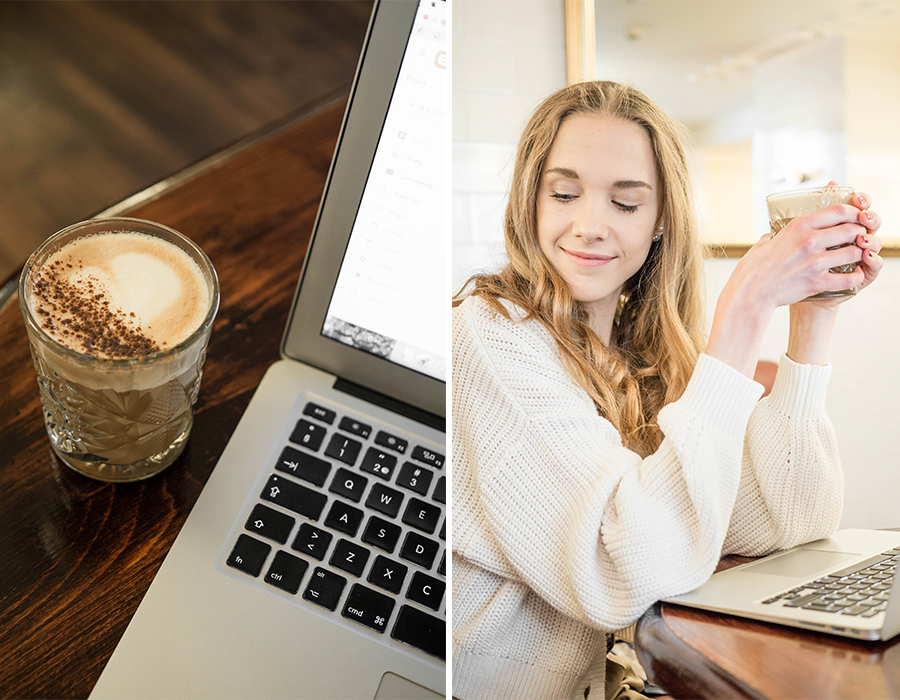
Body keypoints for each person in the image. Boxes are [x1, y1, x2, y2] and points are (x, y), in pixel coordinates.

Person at [451, 81, 883, 700]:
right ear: (532, 202)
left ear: (659, 224)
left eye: (625, 204)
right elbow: (623, 566)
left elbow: (790, 518)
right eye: (564, 193)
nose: (589, 225)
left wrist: (815, 312)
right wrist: (747, 303)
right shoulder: (491, 333)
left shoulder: (641, 358)